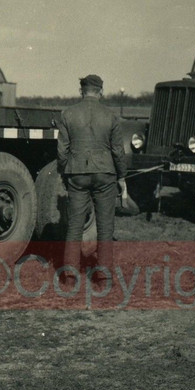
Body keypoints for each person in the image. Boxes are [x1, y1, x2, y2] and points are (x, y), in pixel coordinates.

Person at [57, 74, 128, 280]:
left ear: (81, 91)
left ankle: (70, 276)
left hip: (77, 174)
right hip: (105, 174)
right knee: (105, 227)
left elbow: (62, 151)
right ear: (101, 92)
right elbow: (118, 151)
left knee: (74, 226)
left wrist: (64, 172)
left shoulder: (67, 114)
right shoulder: (111, 116)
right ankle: (104, 277)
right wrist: (121, 176)